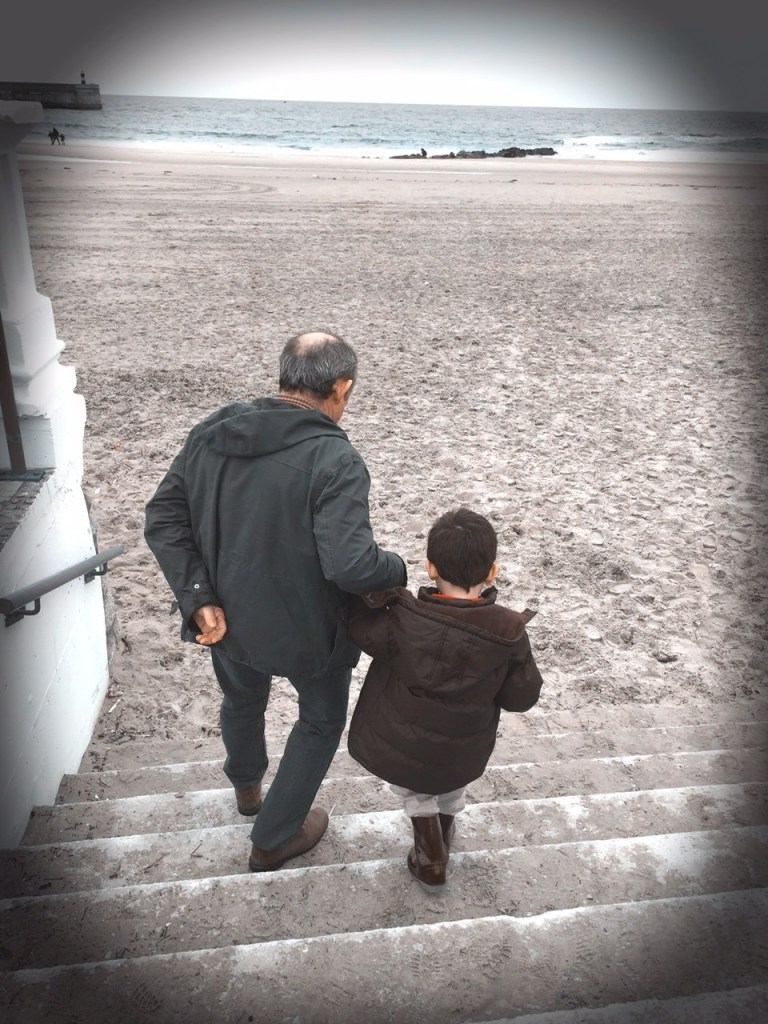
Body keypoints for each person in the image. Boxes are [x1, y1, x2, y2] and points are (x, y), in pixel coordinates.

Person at [144, 330, 406, 872]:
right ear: (342, 387)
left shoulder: (213, 431)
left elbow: (163, 517)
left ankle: (247, 788)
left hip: (225, 618)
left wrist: (197, 596)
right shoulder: (337, 459)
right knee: (320, 722)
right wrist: (396, 568)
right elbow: (351, 566)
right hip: (310, 630)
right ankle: (273, 838)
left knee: (242, 700)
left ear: (286, 376)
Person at [347, 507, 543, 890]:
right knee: (452, 783)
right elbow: (522, 697)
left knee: (417, 789)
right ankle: (445, 832)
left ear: (430, 568)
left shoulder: (403, 617)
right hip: (463, 749)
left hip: (404, 743)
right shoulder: (507, 633)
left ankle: (430, 854)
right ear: (492, 572)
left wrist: (376, 592)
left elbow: (360, 628)